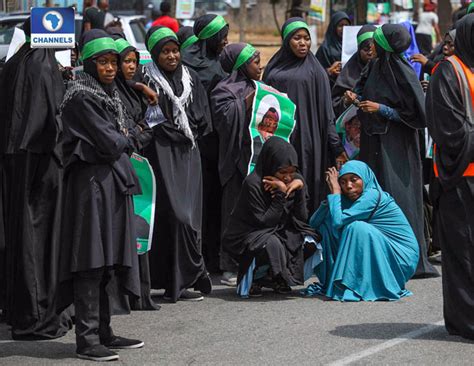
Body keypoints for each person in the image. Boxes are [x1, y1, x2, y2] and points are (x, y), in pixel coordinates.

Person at [58, 29, 144, 361]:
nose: (110, 68)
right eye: (103, 63)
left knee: (108, 262)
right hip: (90, 188)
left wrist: (125, 135)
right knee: (90, 262)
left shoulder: (110, 95)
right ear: (90, 65)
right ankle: (87, 338)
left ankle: (104, 332)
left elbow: (124, 137)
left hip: (112, 185)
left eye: (113, 62)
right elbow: (112, 143)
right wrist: (127, 134)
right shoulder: (81, 95)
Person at [346, 24, 438, 278]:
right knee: (376, 197)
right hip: (373, 144)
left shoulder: (403, 72)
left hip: (398, 149)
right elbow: (362, 88)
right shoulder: (375, 66)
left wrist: (382, 109)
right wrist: (354, 97)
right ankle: (381, 257)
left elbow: (418, 116)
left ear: (386, 46)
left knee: (400, 198)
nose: (371, 47)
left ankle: (408, 258)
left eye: (375, 42)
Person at [0, 18, 71, 340]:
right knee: (38, 242)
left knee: (22, 238)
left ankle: (23, 309)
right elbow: (50, 123)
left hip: (17, 164)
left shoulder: (17, 60)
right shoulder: (43, 67)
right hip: (41, 167)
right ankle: (38, 316)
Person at [142, 26, 212, 302]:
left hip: (189, 153)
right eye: (165, 52)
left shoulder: (191, 77)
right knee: (174, 216)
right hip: (161, 154)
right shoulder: (148, 79)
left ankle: (188, 279)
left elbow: (202, 115)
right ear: (155, 55)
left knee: (192, 218)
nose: (171, 56)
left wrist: (188, 131)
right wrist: (173, 132)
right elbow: (151, 119)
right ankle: (172, 279)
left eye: (175, 50)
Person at [303, 161, 419, 301]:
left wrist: (335, 192)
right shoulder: (346, 197)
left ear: (365, 178)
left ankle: (359, 283)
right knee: (326, 227)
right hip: (382, 246)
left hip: (401, 256)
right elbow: (314, 224)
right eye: (343, 182)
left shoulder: (372, 195)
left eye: (354, 180)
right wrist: (331, 199)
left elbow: (339, 221)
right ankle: (335, 280)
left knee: (356, 227)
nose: (349, 186)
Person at [263, 18, 346, 213]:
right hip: (283, 139)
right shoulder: (274, 69)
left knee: (307, 180)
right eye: (297, 38)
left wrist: (335, 146)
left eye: (306, 38)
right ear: (286, 41)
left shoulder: (316, 70)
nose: (303, 43)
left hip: (310, 139)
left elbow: (327, 113)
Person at [426, 14, 474, 340]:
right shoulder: (448, 70)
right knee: (463, 252)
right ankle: (466, 322)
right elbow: (450, 131)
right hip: (461, 178)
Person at [222, 137, 319, 298]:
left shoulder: (296, 180)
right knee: (271, 244)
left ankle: (275, 277)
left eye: (292, 171)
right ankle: (256, 277)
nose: (288, 177)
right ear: (270, 165)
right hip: (250, 234)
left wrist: (300, 190)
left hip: (278, 230)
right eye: (282, 172)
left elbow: (301, 219)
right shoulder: (253, 184)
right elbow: (265, 223)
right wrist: (280, 195)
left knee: (309, 240)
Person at [113, 34, 161, 312]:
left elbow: (152, 124)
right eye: (125, 61)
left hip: (140, 168)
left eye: (133, 61)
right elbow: (126, 133)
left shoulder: (138, 91)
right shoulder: (112, 92)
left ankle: (141, 293)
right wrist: (139, 132)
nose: (131, 66)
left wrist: (148, 98)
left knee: (140, 229)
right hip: (121, 169)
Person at [210, 43, 263, 285]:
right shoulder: (223, 90)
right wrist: (247, 103)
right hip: (235, 160)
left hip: (256, 159)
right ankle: (229, 265)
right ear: (242, 65)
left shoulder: (259, 87)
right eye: (255, 62)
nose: (260, 66)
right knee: (233, 213)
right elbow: (223, 120)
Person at [182, 14, 229, 278]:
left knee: (215, 202)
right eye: (221, 37)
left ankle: (213, 258)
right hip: (196, 141)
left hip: (216, 142)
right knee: (199, 203)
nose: (225, 42)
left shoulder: (217, 62)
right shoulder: (189, 64)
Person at [332, 24, 376, 117]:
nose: (370, 53)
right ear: (359, 50)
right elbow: (334, 103)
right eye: (366, 49)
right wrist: (347, 100)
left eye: (374, 49)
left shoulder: (387, 70)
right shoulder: (349, 73)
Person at [315, 11, 351, 85]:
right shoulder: (325, 48)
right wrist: (330, 70)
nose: (344, 28)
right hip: (331, 87)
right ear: (333, 27)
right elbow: (315, 72)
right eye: (340, 25)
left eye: (346, 25)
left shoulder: (354, 45)